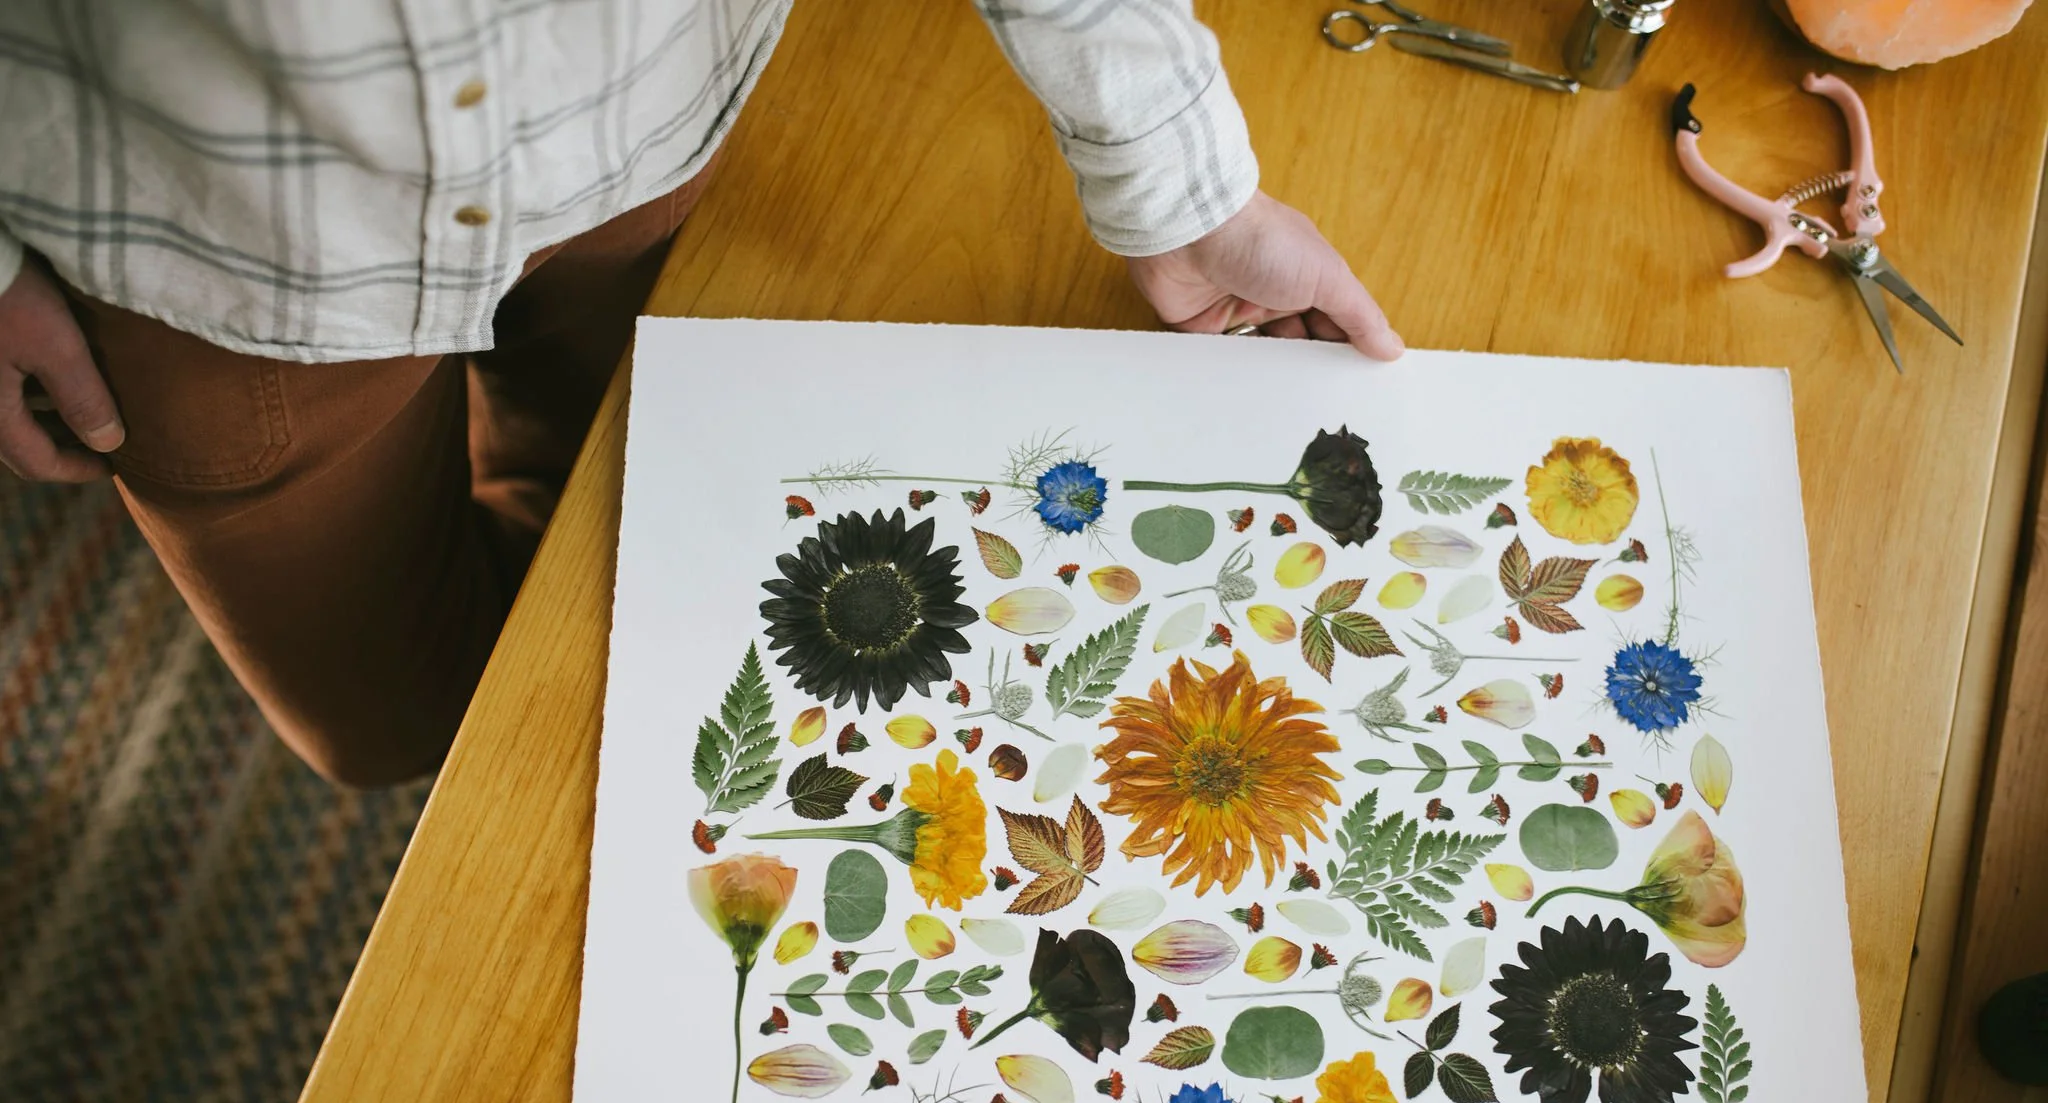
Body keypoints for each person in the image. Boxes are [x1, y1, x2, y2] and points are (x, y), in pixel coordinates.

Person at [0, 2, 1403, 787]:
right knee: (397, 717)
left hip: (646, 143)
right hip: (224, 264)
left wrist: (1171, 172)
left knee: (611, 554)